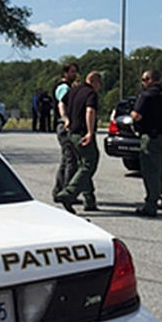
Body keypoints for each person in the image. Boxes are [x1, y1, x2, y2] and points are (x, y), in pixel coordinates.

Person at [131, 69, 162, 217]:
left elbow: (137, 115)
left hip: (151, 137)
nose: (142, 83)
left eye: (144, 80)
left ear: (149, 80)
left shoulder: (146, 95)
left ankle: (150, 205)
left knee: (151, 171)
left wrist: (133, 116)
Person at [54, 70, 101, 214]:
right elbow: (90, 111)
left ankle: (89, 200)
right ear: (95, 82)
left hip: (71, 133)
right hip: (81, 133)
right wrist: (90, 132)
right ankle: (67, 194)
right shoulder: (91, 93)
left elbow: (61, 103)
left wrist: (66, 118)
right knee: (89, 164)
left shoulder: (74, 90)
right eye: (99, 84)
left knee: (82, 165)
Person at [51, 62, 79, 201]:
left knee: (65, 160)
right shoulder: (63, 88)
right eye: (72, 72)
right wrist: (66, 119)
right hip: (65, 126)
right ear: (65, 73)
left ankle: (58, 190)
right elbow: (62, 103)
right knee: (71, 161)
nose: (75, 75)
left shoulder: (67, 87)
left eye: (75, 72)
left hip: (64, 125)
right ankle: (67, 193)